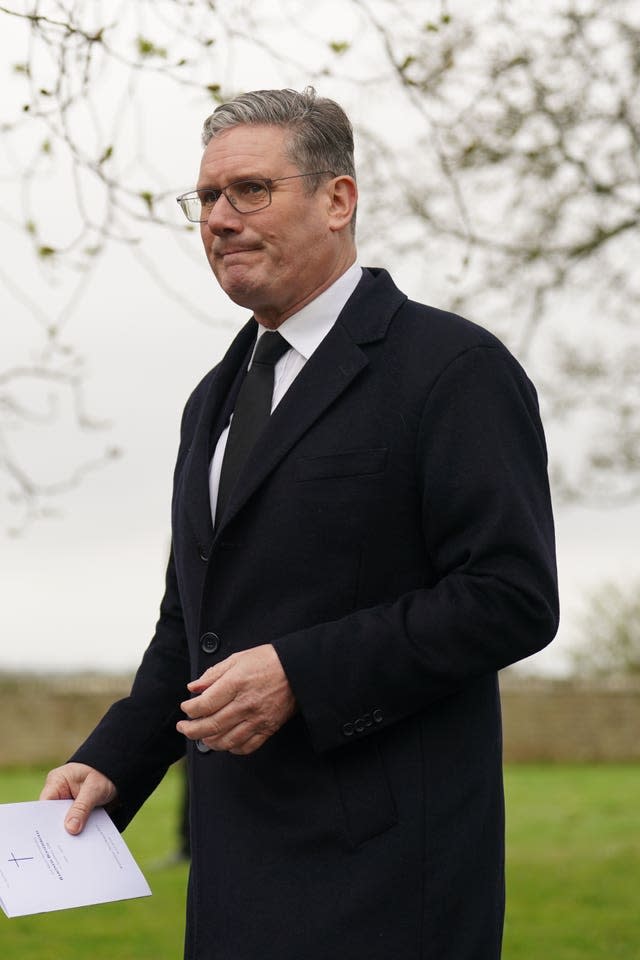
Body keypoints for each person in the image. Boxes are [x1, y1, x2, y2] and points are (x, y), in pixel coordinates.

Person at [41, 87, 559, 960]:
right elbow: (192, 626)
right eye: (206, 199)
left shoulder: (452, 368)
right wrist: (114, 762)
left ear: (338, 199)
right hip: (234, 879)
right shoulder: (213, 398)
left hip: (389, 882)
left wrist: (300, 673)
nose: (219, 219)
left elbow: (511, 596)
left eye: (250, 191)